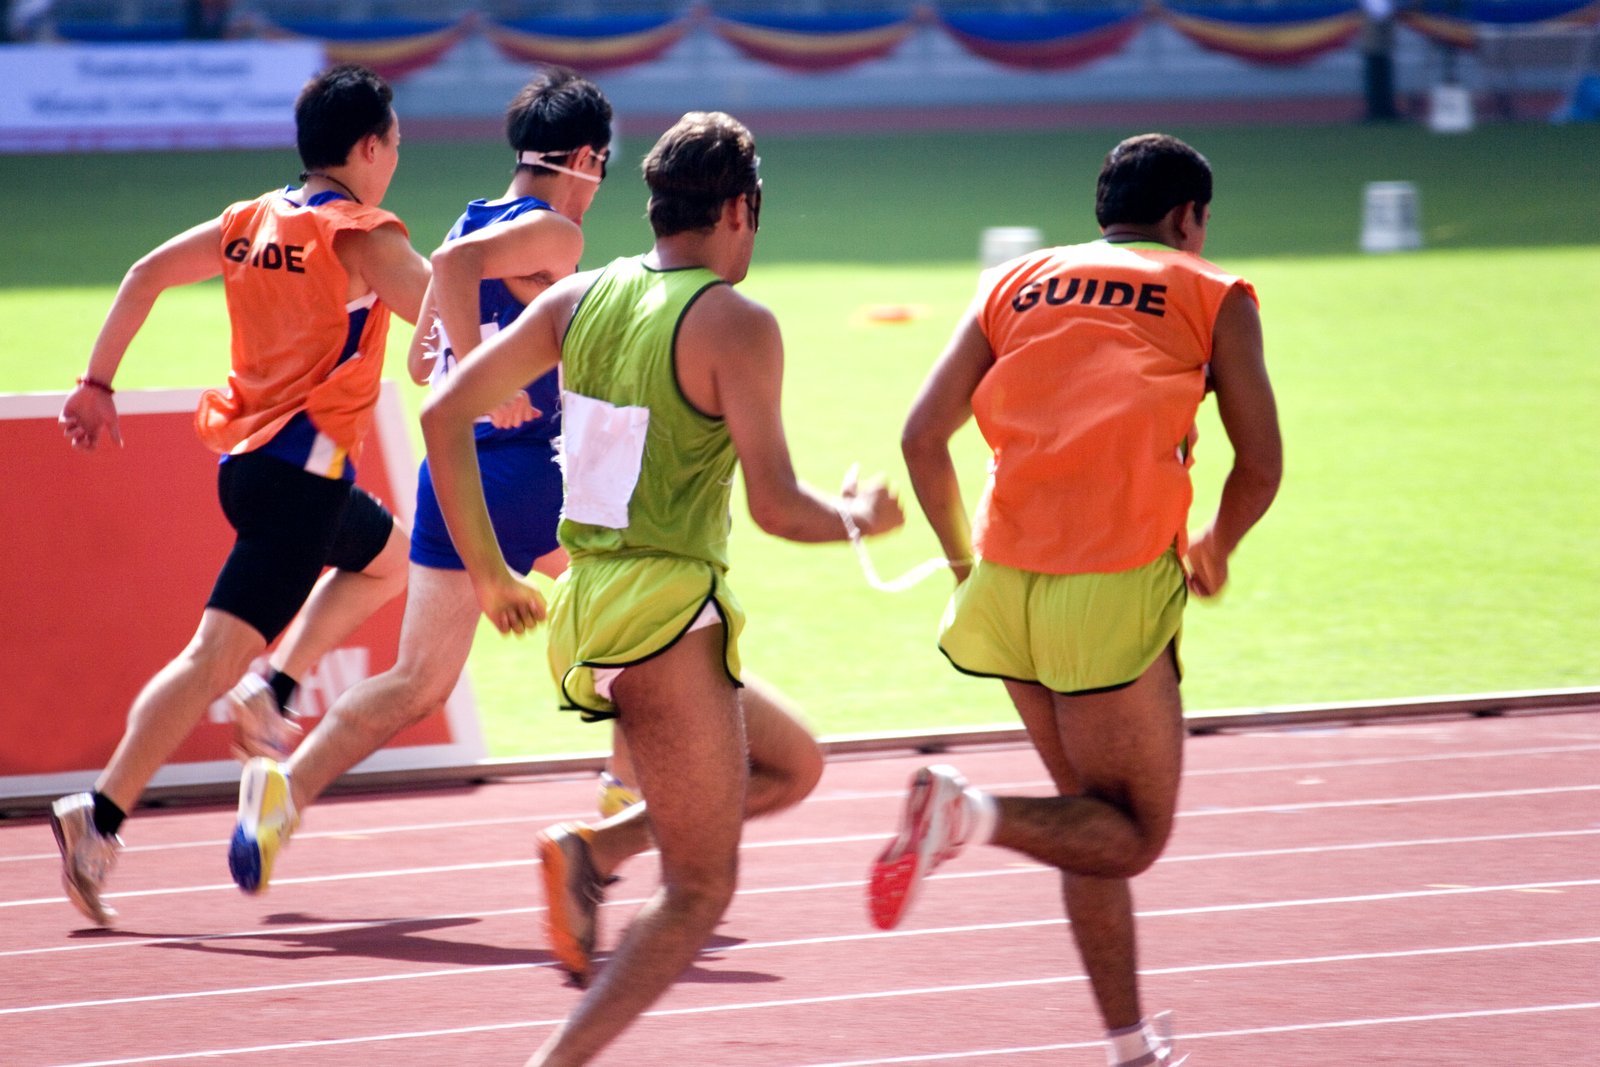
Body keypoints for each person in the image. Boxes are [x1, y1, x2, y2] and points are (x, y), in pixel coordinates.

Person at [226, 73, 824, 923]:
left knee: (417, 678)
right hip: (532, 473)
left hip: (456, 474)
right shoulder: (556, 234)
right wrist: (483, 372)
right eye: (604, 166)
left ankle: (285, 790)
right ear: (582, 158)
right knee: (647, 615)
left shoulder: (467, 217)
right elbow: (459, 289)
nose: (601, 184)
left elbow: (419, 355)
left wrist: (465, 367)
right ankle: (622, 807)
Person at [420, 110, 903, 1065]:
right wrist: (860, 518)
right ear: (735, 209)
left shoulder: (580, 296)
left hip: (591, 606)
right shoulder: (736, 321)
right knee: (698, 893)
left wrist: (488, 573)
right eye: (755, 217)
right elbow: (774, 506)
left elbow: (442, 414)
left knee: (793, 765)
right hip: (662, 620)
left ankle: (593, 852)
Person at [873, 132, 1282, 1067]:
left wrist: (959, 564)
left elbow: (919, 439)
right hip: (1113, 583)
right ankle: (962, 813)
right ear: (1189, 218)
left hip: (1006, 581)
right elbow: (1261, 464)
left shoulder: (1014, 281)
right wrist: (1216, 545)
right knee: (1131, 833)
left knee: (1084, 821)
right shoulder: (1213, 292)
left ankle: (1130, 1046)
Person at [49, 64, 429, 928]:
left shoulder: (249, 221)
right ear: (368, 148)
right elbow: (445, 323)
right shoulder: (363, 236)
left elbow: (144, 272)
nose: (398, 160)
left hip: (254, 466)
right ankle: (98, 816)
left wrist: (95, 382)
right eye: (396, 145)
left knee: (388, 558)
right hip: (299, 482)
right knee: (207, 660)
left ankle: (277, 689)